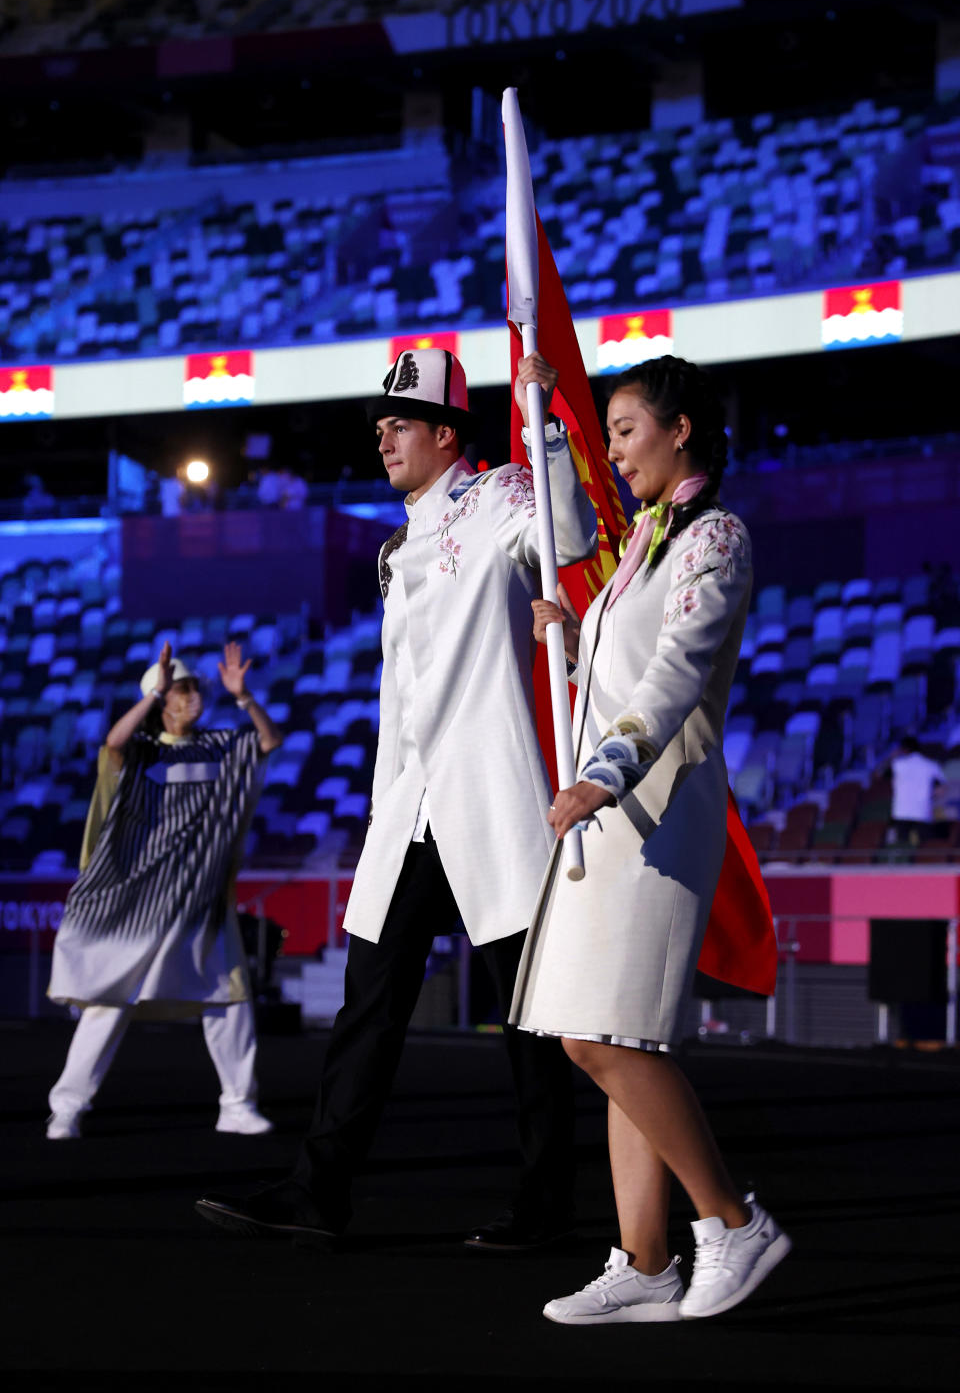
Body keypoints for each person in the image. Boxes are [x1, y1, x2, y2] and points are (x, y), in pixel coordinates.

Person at [195, 344, 598, 1249]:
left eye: (399, 425)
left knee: (530, 1020)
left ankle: (544, 1207)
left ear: (447, 433)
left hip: (492, 803)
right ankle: (318, 1191)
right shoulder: (392, 546)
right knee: (367, 1009)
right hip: (411, 808)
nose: (383, 440)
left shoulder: (499, 495)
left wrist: (553, 433)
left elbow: (565, 541)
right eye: (379, 427)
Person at [511, 355, 791, 1323]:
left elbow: (673, 677)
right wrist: (543, 423)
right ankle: (645, 1259)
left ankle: (733, 1221)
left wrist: (604, 773)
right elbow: (613, 640)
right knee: (607, 1031)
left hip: (659, 810)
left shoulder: (714, 540)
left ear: (680, 431)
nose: (618, 451)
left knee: (600, 1037)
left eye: (626, 431)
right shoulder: (643, 543)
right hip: (613, 811)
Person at [46, 641, 283, 1139]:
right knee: (109, 1002)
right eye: (180, 689)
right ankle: (68, 1106)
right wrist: (152, 697)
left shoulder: (219, 745)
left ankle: (237, 1105)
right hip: (134, 902)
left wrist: (244, 699)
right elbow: (113, 742)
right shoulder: (138, 752)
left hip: (197, 898)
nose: (192, 695)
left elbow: (267, 742)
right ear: (159, 698)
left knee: (228, 998)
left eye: (195, 687)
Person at [887, 735, 944, 848]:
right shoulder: (930, 764)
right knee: (925, 847)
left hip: (901, 811)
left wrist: (891, 756)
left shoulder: (897, 764)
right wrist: (930, 795)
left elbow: (876, 776)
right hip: (922, 810)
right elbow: (942, 788)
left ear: (903, 749)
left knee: (902, 846)